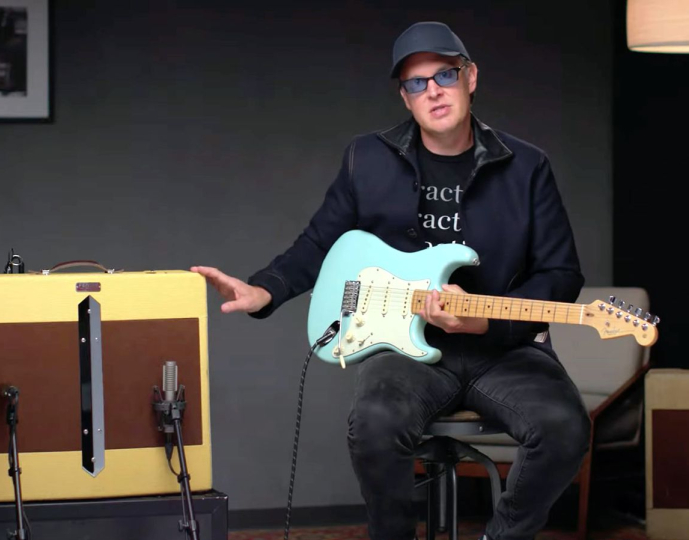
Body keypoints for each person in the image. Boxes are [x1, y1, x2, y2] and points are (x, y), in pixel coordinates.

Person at [191, 21, 590, 540]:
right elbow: (319, 242)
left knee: (565, 427)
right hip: (406, 351)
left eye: (445, 74)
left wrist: (486, 320)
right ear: (405, 97)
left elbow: (561, 273)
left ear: (470, 77)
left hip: (505, 349)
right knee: (374, 423)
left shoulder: (528, 166)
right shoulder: (368, 159)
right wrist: (264, 289)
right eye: (417, 83)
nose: (433, 91)